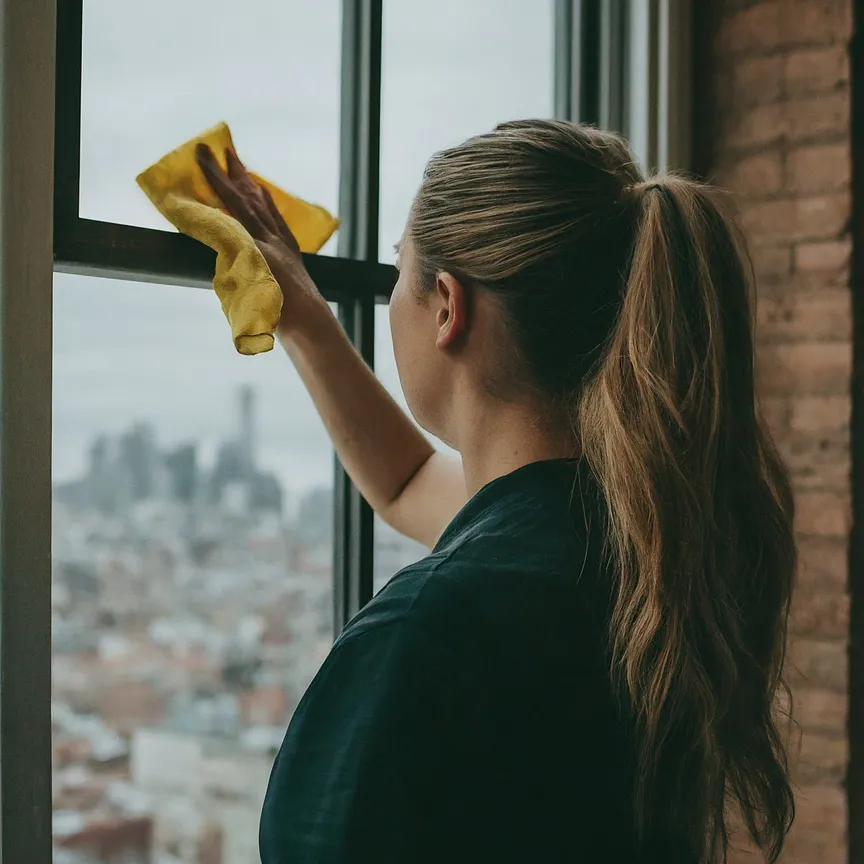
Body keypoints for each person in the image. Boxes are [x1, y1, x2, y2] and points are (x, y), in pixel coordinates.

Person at [196, 119, 796, 863]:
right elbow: (406, 481)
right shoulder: (645, 541)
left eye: (398, 276)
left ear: (447, 307)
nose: (389, 302)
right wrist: (307, 324)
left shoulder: (425, 635)